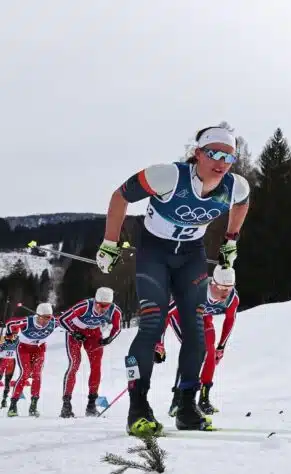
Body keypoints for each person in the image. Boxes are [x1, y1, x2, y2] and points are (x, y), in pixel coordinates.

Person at [97, 124, 250, 436]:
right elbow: (120, 195)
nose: (221, 161)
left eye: (229, 156)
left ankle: (186, 406)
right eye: (214, 153)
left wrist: (231, 239)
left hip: (191, 256)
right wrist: (110, 242)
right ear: (198, 154)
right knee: (152, 325)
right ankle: (138, 407)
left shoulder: (235, 186)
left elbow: (242, 204)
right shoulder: (167, 176)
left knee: (196, 331)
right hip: (154, 252)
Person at [154, 265, 239, 416]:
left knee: (210, 352)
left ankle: (204, 399)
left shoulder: (232, 298)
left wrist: (221, 346)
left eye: (229, 288)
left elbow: (230, 320)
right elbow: (166, 313)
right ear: (213, 284)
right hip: (181, 316)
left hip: (203, 318)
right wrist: (159, 343)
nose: (226, 293)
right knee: (195, 349)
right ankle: (177, 399)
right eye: (222, 288)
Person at [58, 287, 123, 418]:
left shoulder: (114, 311)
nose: (102, 309)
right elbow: (62, 319)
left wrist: (109, 338)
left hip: (93, 334)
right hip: (75, 331)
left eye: (106, 306)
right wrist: (74, 332)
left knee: (96, 367)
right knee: (74, 364)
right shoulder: (85, 305)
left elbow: (118, 327)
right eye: (99, 305)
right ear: (95, 301)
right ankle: (66, 404)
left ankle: (91, 405)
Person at [5, 303, 58, 417]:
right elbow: (10, 323)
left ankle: (33, 406)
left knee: (37, 375)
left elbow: (65, 321)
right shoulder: (27, 321)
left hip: (39, 349)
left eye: (50, 317)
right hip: (24, 348)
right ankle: (13, 405)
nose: (48, 320)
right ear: (37, 315)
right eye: (45, 317)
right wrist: (10, 336)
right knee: (25, 374)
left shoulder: (53, 322)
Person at [0, 329, 19, 408]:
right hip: (2, 361)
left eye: (14, 335)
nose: (13, 337)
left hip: (11, 362)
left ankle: (4, 400)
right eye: (12, 335)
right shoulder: (3, 339)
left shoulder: (17, 340)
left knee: (7, 382)